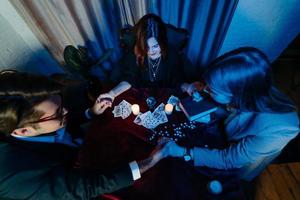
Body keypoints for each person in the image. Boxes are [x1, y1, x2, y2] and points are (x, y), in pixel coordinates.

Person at [0, 70, 165, 199]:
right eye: (58, 113)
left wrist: (91, 112)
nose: (66, 110)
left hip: (85, 149)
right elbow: (87, 186)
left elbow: (63, 120)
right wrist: (150, 162)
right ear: (23, 131)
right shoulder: (18, 177)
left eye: (61, 103)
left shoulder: (37, 120)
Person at [161, 47, 299, 181]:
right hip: (225, 136)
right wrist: (194, 88)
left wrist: (182, 152)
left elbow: (228, 159)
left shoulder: (281, 129)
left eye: (212, 90)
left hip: (237, 160)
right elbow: (220, 96)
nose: (206, 90)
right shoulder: (249, 87)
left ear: (238, 94)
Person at [112, 13, 189, 88]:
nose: (151, 51)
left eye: (155, 46)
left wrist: (188, 87)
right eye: (146, 47)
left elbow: (178, 80)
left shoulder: (172, 53)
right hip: (140, 96)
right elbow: (128, 79)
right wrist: (112, 93)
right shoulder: (136, 52)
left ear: (162, 42)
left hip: (166, 96)